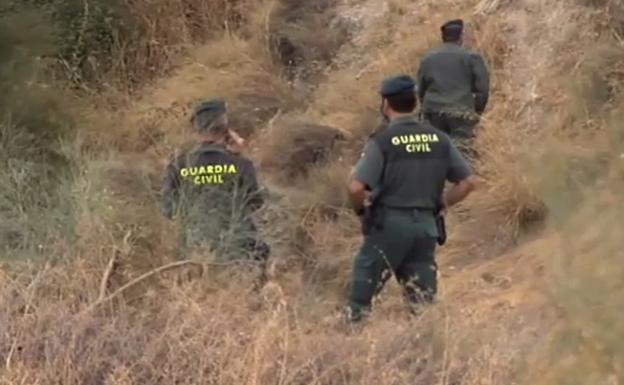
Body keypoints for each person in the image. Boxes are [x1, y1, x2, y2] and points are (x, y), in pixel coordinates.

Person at [345, 75, 477, 322]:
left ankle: (351, 350)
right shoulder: (439, 139)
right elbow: (468, 182)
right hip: (426, 228)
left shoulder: (383, 142)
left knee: (360, 301)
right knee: (423, 305)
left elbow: (355, 187)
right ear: (415, 102)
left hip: (388, 227)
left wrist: (362, 212)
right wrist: (441, 205)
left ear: (385, 104)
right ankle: (427, 352)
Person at [160, 98, 270, 277]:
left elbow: (168, 209)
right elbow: (256, 202)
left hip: (194, 250)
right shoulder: (240, 163)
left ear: (197, 130)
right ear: (226, 129)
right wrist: (241, 156)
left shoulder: (179, 164)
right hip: (238, 247)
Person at [416, 18, 490, 156]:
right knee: (462, 152)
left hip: (433, 111)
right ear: (461, 36)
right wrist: (476, 111)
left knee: (435, 152)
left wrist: (426, 108)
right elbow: (483, 90)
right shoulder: (471, 57)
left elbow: (420, 89)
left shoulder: (428, 59)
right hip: (461, 110)